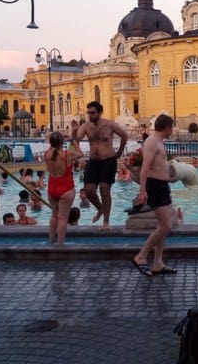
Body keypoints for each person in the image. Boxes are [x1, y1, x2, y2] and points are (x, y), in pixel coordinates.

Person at [130, 114, 178, 277]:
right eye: (172, 127)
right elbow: (145, 167)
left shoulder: (158, 143)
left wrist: (168, 170)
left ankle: (158, 263)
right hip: (155, 186)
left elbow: (159, 164)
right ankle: (141, 256)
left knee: (162, 226)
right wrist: (143, 191)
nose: (172, 130)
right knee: (166, 226)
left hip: (162, 186)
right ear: (166, 127)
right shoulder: (151, 142)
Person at [72, 101, 128, 230]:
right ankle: (100, 209)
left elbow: (124, 136)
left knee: (104, 189)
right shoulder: (86, 126)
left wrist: (119, 152)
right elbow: (77, 140)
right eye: (88, 113)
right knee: (88, 190)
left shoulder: (109, 125)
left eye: (93, 113)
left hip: (108, 160)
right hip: (93, 161)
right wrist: (75, 131)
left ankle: (106, 222)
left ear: (100, 112)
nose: (90, 115)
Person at [44, 131, 84, 245]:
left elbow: (53, 149)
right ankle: (60, 244)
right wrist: (72, 140)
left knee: (54, 215)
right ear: (62, 142)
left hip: (52, 187)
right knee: (62, 218)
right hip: (66, 187)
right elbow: (80, 154)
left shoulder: (46, 154)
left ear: (51, 142)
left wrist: (54, 141)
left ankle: (51, 241)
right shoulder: (67, 154)